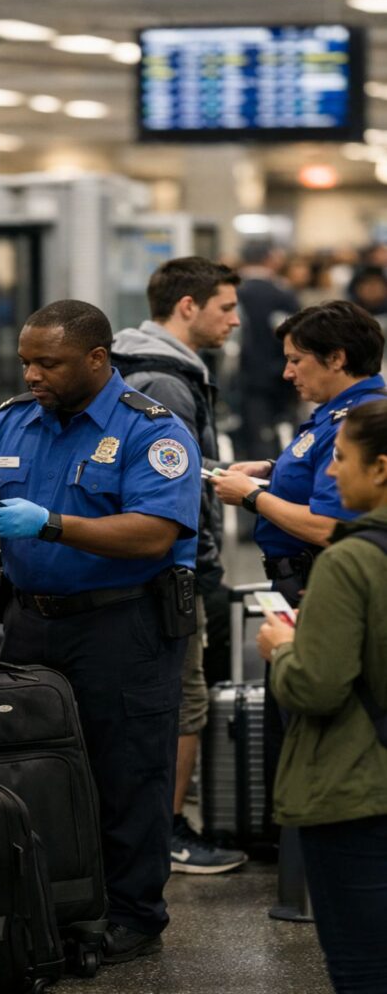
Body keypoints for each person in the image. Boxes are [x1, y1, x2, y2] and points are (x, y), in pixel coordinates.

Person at [0, 299, 201, 964]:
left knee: (126, 770)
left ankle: (133, 916)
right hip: (33, 621)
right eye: (26, 360)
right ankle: (55, 905)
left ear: (96, 359)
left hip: (123, 623)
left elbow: (154, 532)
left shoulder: (150, 429)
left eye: (47, 362)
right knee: (35, 768)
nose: (31, 374)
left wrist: (50, 524)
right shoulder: (12, 422)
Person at [211, 301, 386, 806]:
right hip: (292, 583)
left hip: (315, 584)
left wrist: (250, 496)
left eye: (296, 360)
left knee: (310, 711)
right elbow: (315, 471)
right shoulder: (334, 417)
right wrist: (272, 469)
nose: (286, 373)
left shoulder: (359, 422)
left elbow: (332, 527)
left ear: (336, 358)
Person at [111, 256, 247, 875]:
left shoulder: (136, 364)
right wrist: (207, 558)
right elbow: (175, 484)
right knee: (185, 698)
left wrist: (221, 474)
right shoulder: (165, 379)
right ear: (186, 307)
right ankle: (167, 831)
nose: (235, 320)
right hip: (177, 564)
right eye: (225, 307)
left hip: (143, 563)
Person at [257, 399, 387, 994]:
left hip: (359, 793)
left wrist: (282, 647)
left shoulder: (350, 561)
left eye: (340, 458)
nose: (331, 473)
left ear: (380, 468)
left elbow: (316, 685)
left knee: (364, 969)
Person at [234, 240, 301, 461]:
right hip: (282, 374)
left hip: (244, 376)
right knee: (285, 432)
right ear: (269, 259)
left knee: (254, 435)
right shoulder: (282, 294)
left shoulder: (235, 293)